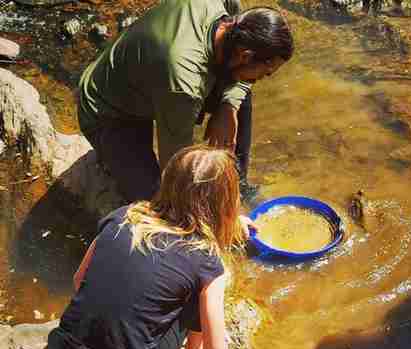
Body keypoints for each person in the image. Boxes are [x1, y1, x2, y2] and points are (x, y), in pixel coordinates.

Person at [54, 145, 243, 349]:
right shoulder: (206, 260)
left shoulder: (124, 216)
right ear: (226, 202)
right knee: (199, 291)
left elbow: (79, 280)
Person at [78, 0, 294, 203]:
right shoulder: (184, 84)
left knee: (240, 87)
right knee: (161, 200)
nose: (262, 79)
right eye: (265, 73)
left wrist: (228, 108)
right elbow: (174, 165)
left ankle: (236, 185)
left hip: (151, 79)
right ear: (245, 55)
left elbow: (241, 80)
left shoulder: (232, 17)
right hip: (109, 110)